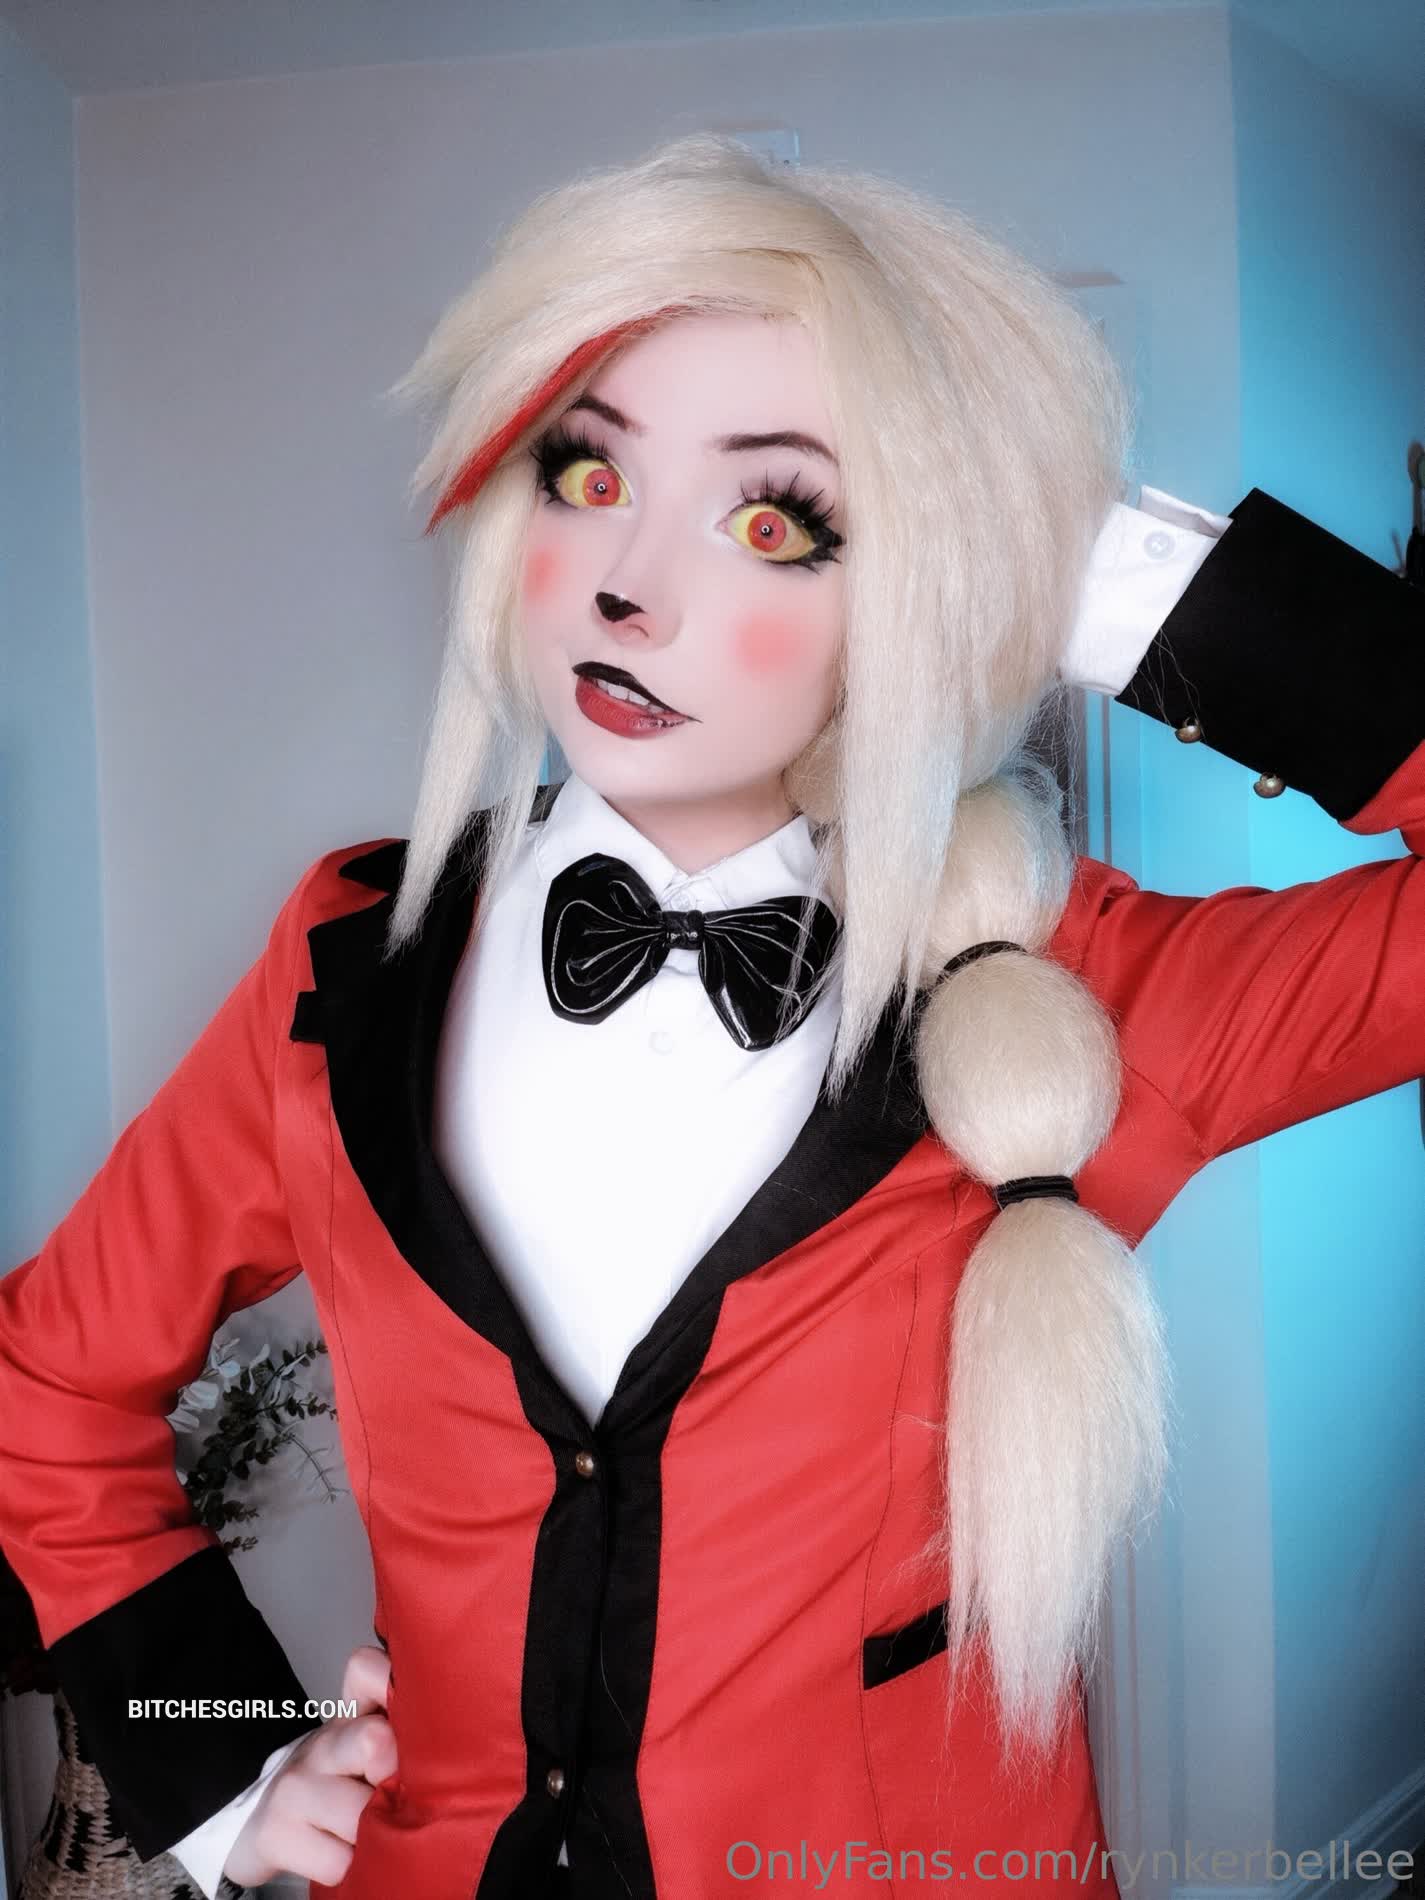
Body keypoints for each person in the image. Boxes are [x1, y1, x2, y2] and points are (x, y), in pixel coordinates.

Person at [1, 135, 1421, 1900]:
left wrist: (1102, 574)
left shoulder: (1085, 989)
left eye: (772, 523)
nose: (628, 585)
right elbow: (46, 1376)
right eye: (588, 474)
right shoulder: (347, 959)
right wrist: (218, 1761)